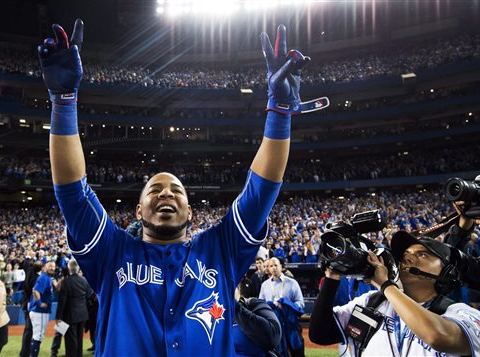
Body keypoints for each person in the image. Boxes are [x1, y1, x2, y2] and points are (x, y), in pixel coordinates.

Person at [39, 17, 318, 354]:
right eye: (154, 190)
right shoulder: (112, 253)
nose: (167, 192)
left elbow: (261, 190)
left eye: (177, 190)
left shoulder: (220, 250)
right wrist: (64, 100)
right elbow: (73, 193)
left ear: (191, 211)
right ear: (138, 210)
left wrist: (280, 112)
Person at [309, 231, 480, 356]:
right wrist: (332, 276)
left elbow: (438, 336)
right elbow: (320, 334)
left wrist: (386, 285)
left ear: (447, 271)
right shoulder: (373, 302)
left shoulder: (463, 314)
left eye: (422, 255)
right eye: (406, 254)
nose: (408, 258)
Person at [258, 257, 305, 357]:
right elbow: (260, 306)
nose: (274, 268)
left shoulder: (292, 283)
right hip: (274, 328)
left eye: (276, 265)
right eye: (271, 266)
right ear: (268, 269)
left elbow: (301, 303)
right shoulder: (264, 285)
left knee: (298, 353)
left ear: (281, 267)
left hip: (291, 326)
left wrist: (287, 304)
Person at [51, 259, 94, 357]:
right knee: (79, 339)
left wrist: (58, 317)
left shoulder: (66, 282)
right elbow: (89, 296)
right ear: (78, 268)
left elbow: (62, 301)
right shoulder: (84, 280)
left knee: (71, 341)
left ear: (69, 268)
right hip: (83, 314)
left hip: (69, 315)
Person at [28, 261, 55, 357]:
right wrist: (39, 304)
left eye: (53, 266)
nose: (52, 268)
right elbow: (35, 290)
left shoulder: (47, 278)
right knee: (38, 337)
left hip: (39, 312)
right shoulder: (44, 277)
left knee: (37, 336)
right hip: (39, 312)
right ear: (44, 267)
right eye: (50, 266)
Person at [18, 261, 43, 357]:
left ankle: (24, 352)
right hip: (31, 305)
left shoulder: (29, 271)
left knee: (28, 330)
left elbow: (25, 263)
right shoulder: (37, 278)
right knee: (30, 330)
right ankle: (25, 353)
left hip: (25, 303)